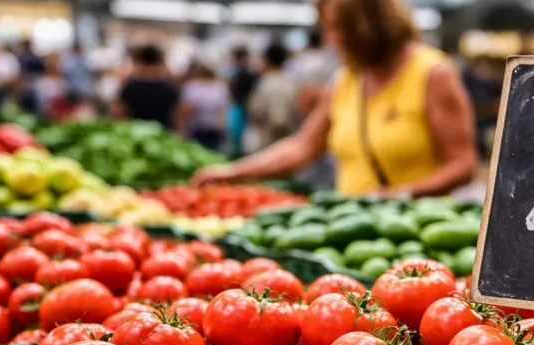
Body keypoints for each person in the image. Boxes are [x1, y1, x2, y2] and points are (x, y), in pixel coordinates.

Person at [193, 0, 476, 198]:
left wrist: (400, 195)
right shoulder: (346, 80)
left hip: (413, 233)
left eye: (337, 29)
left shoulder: (432, 73)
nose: (330, 40)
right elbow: (302, 147)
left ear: (369, 27)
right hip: (354, 230)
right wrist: (233, 172)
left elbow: (463, 165)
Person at [114, 45, 179, 130]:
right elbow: (177, 116)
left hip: (135, 134)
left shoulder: (129, 87)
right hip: (163, 136)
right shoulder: (170, 88)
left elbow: (119, 114)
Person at [249, 43, 299, 150]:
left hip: (272, 145)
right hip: (284, 144)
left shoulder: (271, 84)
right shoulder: (290, 82)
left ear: (266, 60)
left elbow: (279, 121)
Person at [179, 62, 229, 150]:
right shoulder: (220, 87)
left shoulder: (192, 86)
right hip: (213, 126)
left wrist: (182, 128)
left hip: (199, 126)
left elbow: (186, 109)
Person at [227, 46, 258, 157]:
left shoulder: (249, 74)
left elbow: (251, 94)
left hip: (244, 109)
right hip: (238, 107)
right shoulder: (237, 73)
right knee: (237, 139)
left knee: (244, 140)